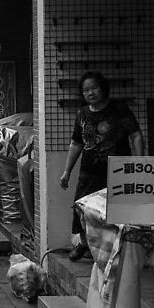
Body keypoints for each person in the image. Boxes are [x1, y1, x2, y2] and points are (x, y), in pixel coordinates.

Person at [60, 71, 144, 261]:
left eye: (94, 88)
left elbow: (136, 135)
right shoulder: (82, 114)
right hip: (89, 170)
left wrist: (139, 164)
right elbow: (76, 143)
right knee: (82, 207)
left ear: (103, 88)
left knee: (116, 209)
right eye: (85, 90)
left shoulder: (119, 110)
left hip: (118, 169)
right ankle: (84, 243)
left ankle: (118, 247)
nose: (90, 93)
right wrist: (67, 171)